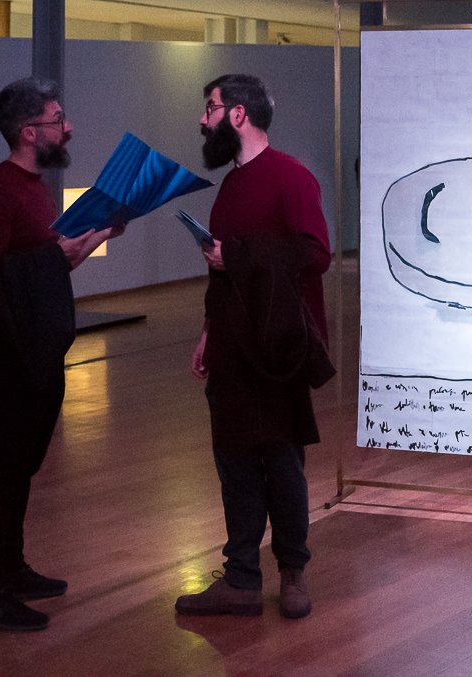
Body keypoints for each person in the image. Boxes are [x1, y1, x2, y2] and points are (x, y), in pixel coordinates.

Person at [175, 74, 333, 620]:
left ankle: (292, 573)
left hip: (277, 347)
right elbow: (223, 271)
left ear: (238, 114)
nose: (203, 120)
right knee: (235, 463)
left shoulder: (290, 176)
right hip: (233, 344)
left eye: (211, 108)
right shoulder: (230, 186)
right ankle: (241, 577)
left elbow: (315, 253)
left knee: (281, 461)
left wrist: (238, 254)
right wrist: (208, 330)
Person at [0, 76, 121, 631]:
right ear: (30, 132)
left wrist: (99, 234)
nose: (68, 127)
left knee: (24, 466)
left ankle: (11, 569)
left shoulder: (34, 188)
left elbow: (54, 263)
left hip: (40, 342)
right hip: (11, 347)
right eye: (58, 119)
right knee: (4, 469)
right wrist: (56, 254)